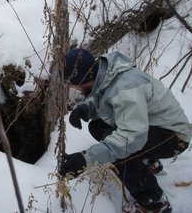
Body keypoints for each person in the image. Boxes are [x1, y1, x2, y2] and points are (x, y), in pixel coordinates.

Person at [59, 48, 191, 213]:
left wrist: (87, 159)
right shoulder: (108, 75)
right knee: (97, 126)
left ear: (83, 79)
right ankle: (147, 162)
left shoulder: (126, 89)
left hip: (173, 137)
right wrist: (86, 108)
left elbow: (131, 138)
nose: (72, 87)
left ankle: (155, 203)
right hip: (152, 127)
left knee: (119, 152)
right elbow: (108, 100)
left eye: (71, 83)